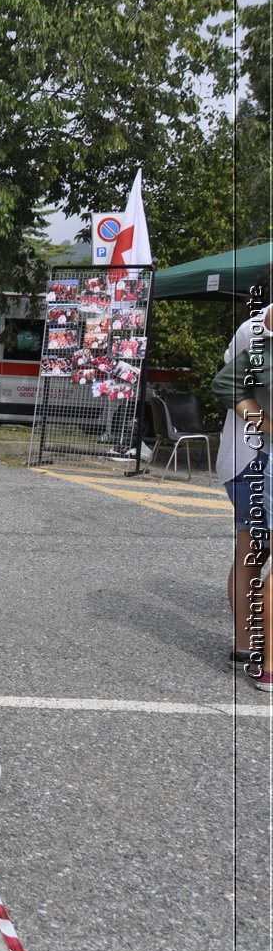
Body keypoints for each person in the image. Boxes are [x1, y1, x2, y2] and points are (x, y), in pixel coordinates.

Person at [211, 295, 273, 693]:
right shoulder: (256, 332)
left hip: (255, 454)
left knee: (253, 550)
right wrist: (267, 424)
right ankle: (253, 647)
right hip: (251, 455)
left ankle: (249, 645)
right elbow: (230, 386)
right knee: (254, 550)